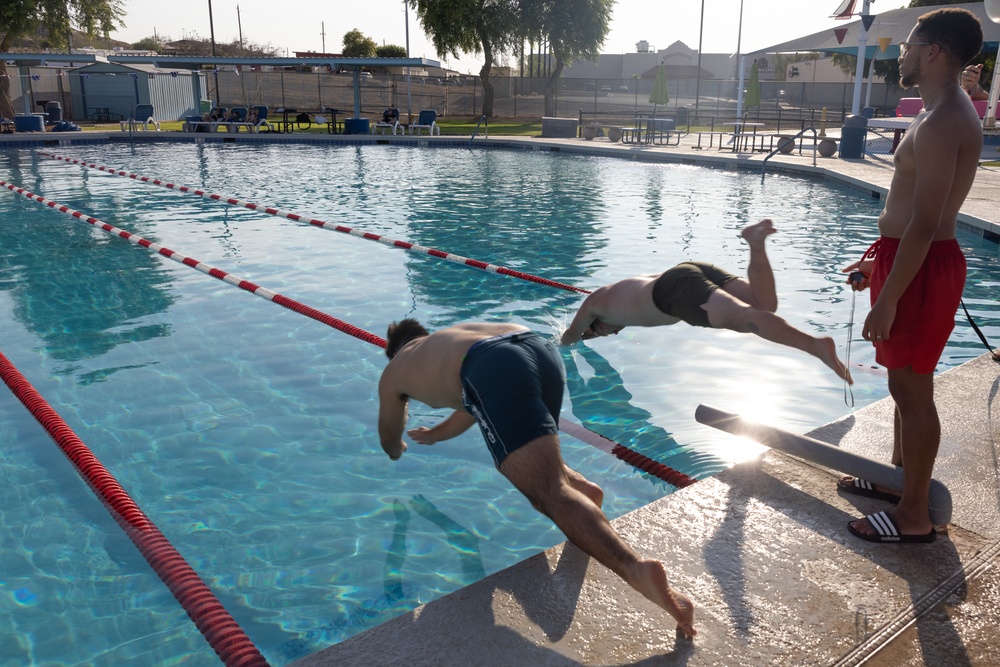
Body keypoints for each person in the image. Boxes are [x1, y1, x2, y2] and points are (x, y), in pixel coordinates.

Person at [377, 319, 697, 638]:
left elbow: (389, 433)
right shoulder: (447, 341)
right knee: (538, 460)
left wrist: (395, 449)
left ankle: (635, 568)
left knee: (547, 492)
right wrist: (435, 434)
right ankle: (584, 492)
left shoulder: (396, 371)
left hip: (490, 367)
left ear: (394, 352)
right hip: (534, 348)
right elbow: (475, 400)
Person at [840, 8, 983, 544]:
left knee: (912, 387)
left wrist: (887, 299)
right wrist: (880, 261)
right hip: (907, 260)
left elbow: (927, 222)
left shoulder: (947, 118)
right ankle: (897, 481)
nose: (900, 52)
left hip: (922, 269)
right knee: (903, 383)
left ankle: (915, 515)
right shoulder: (937, 110)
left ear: (934, 51)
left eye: (909, 43)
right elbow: (913, 217)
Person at [559, 219, 852, 384]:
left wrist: (565, 344)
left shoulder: (595, 305)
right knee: (764, 305)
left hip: (675, 291)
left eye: (602, 332)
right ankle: (755, 242)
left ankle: (815, 345)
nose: (611, 334)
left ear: (597, 325)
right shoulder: (617, 295)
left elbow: (570, 337)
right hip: (687, 270)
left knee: (744, 319)